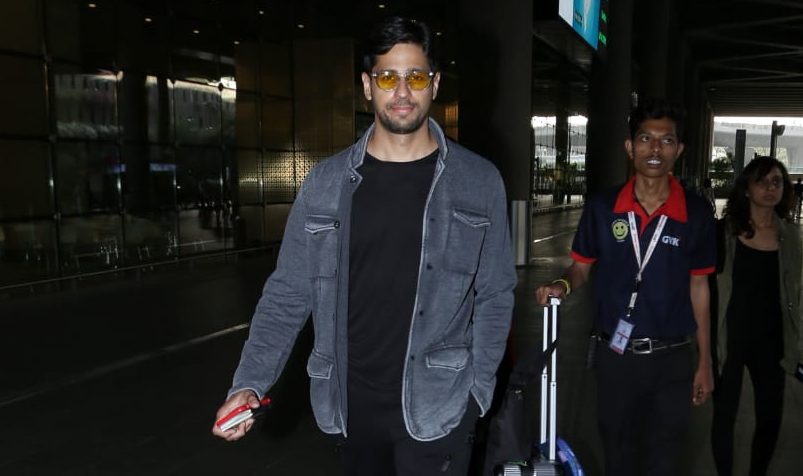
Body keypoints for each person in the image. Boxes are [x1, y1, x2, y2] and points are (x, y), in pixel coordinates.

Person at [211, 16, 517, 476]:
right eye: (387, 77)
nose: (402, 92)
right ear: (367, 86)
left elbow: (495, 291)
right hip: (351, 411)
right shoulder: (326, 184)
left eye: (415, 77)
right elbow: (288, 292)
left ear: (434, 84)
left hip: (439, 409)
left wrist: (478, 391)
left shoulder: (478, 181)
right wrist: (249, 382)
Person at [535, 98, 717, 476]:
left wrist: (705, 361)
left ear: (679, 150)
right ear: (630, 147)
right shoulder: (603, 208)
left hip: (672, 359)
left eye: (666, 140)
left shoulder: (697, 213)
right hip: (616, 357)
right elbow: (580, 268)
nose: (655, 149)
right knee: (618, 457)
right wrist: (561, 285)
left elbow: (700, 287)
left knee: (664, 462)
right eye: (646, 139)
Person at [711, 156, 802, 476]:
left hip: (772, 340)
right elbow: (704, 286)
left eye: (776, 181)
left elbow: (794, 294)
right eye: (761, 181)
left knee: (771, 417)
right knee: (724, 416)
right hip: (729, 336)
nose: (770, 188)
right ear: (747, 188)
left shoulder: (790, 237)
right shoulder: (724, 233)